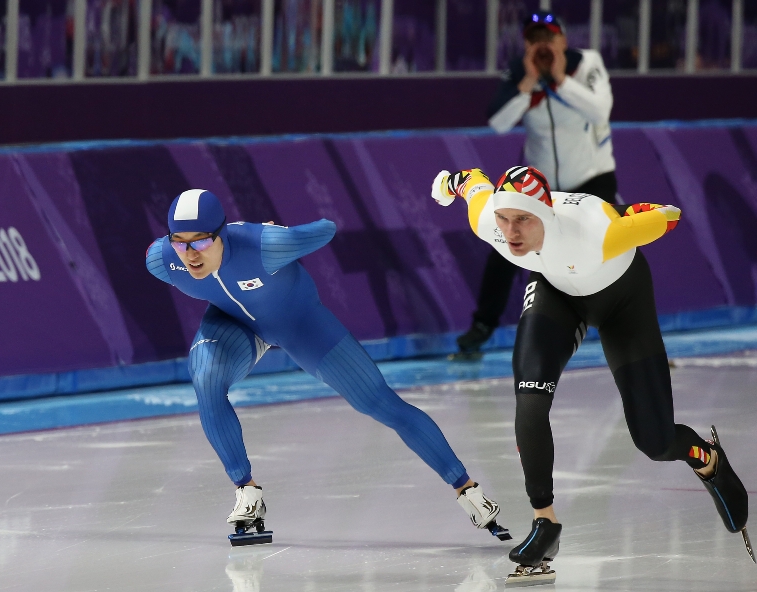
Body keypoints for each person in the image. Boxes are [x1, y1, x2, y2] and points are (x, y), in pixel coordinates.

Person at [431, 166, 753, 583]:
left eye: (524, 219)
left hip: (623, 301)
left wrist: (632, 213)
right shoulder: (488, 221)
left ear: (545, 215)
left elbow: (669, 214)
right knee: (529, 397)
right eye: (505, 218)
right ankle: (545, 522)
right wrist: (451, 183)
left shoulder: (597, 231)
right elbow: (474, 183)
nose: (511, 231)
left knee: (654, 442)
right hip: (557, 293)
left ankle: (705, 457)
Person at [146, 189, 510, 545]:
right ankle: (247, 489)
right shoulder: (162, 259)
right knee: (206, 378)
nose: (191, 254)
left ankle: (466, 489)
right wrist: (183, 249)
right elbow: (183, 262)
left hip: (300, 323)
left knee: (379, 402)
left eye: (201, 242)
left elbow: (326, 228)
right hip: (233, 325)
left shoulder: (264, 245)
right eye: (180, 242)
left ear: (222, 234)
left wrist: (279, 235)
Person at [455, 11, 618, 357]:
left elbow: (600, 112)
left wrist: (560, 78)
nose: (542, 46)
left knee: (613, 252)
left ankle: (630, 334)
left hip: (592, 177)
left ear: (562, 41)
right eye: (534, 40)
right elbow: (498, 122)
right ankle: (482, 325)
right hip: (543, 189)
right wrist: (528, 82)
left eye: (549, 39)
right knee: (506, 243)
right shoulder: (519, 71)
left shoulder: (586, 63)